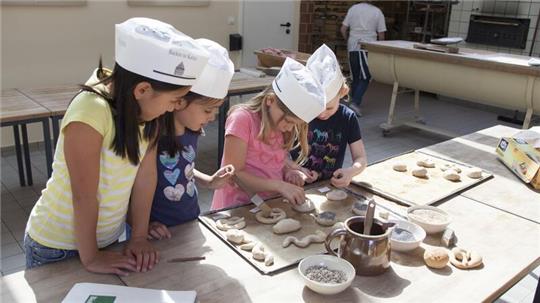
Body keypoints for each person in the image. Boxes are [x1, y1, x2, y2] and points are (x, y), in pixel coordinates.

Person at [24, 17, 210, 276]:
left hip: (107, 240)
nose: (176, 107)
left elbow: (146, 178)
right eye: (175, 99)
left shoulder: (150, 116)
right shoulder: (90, 111)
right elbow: (84, 195)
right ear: (142, 90)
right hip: (58, 246)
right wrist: (91, 258)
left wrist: (139, 236)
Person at [147, 39, 236, 240]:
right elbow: (135, 184)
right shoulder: (154, 136)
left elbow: (184, 169)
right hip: (158, 230)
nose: (212, 117)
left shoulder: (192, 131)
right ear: (179, 101)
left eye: (216, 110)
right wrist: (142, 225)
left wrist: (209, 181)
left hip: (190, 218)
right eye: (207, 110)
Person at [210, 58, 326, 210]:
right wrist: (280, 186)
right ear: (270, 100)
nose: (290, 128)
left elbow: (273, 161)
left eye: (294, 125)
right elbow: (234, 173)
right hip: (237, 207)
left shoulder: (281, 126)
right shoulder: (243, 119)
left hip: (270, 204)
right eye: (289, 122)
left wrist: (288, 171)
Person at [288, 44, 367, 188]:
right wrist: (294, 169)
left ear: (343, 92)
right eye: (316, 107)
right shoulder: (299, 114)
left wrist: (350, 171)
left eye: (329, 108)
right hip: (294, 184)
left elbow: (361, 158)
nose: (321, 113)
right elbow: (277, 153)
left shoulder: (347, 118)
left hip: (329, 185)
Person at [341, 1, 386, 116]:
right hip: (368, 47)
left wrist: (348, 40)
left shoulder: (353, 9)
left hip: (352, 45)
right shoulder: (377, 12)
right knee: (366, 76)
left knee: (355, 76)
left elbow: (343, 29)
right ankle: (355, 103)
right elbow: (381, 34)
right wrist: (380, 50)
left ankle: (352, 101)